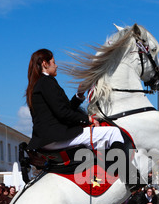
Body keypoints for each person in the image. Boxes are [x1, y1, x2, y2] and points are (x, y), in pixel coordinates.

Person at [26, 49, 131, 183]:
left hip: (48, 139)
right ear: (45, 63)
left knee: (100, 137)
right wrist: (87, 119)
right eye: (54, 62)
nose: (56, 65)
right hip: (55, 137)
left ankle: (99, 175)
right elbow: (62, 113)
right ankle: (129, 180)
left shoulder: (37, 84)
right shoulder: (47, 82)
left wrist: (79, 96)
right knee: (113, 133)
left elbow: (63, 110)